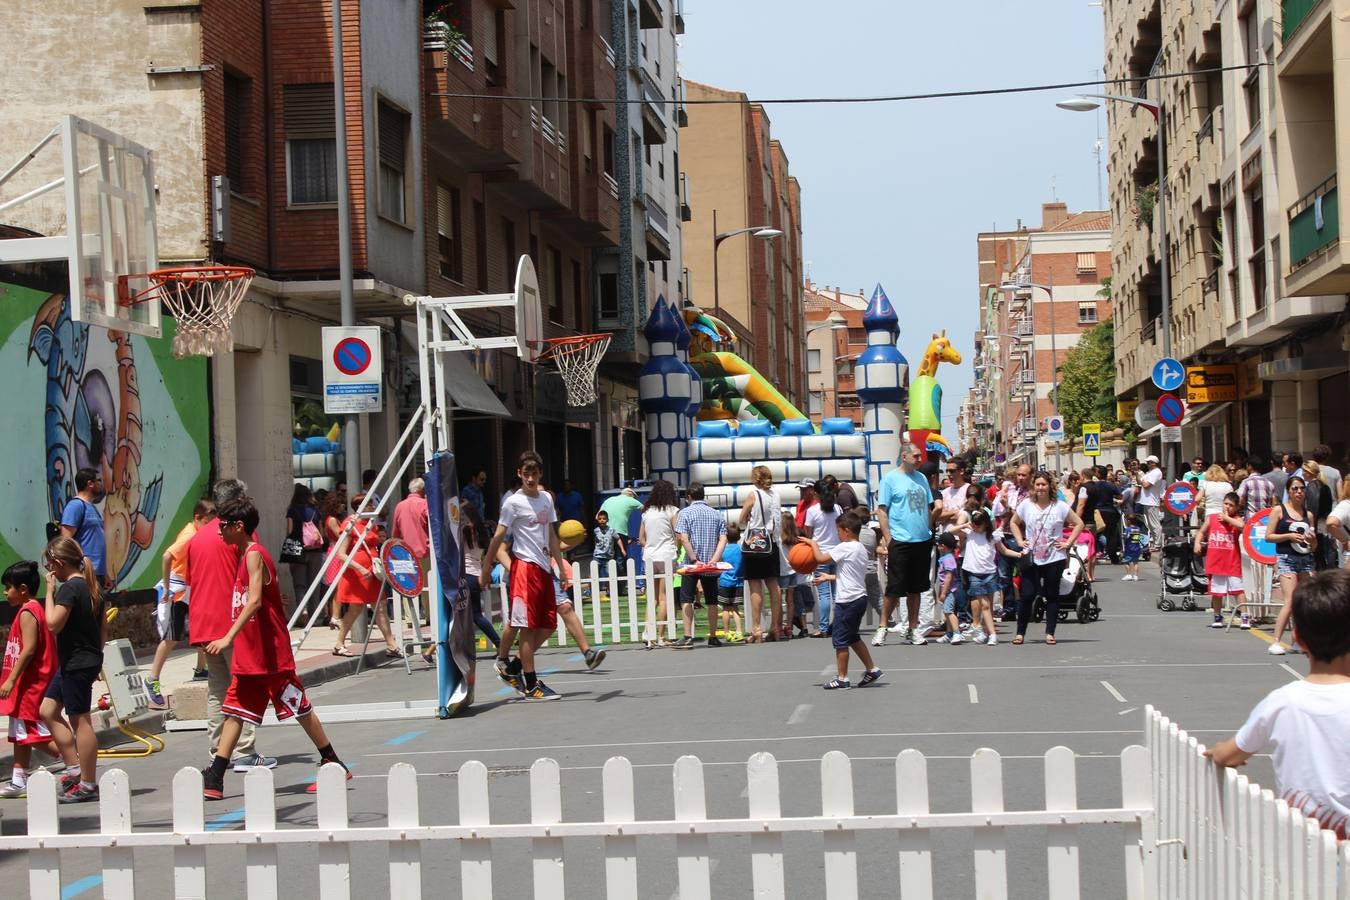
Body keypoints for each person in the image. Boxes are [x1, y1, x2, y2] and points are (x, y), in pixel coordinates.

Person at [201, 495, 350, 801]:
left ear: (238, 526)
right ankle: (215, 775)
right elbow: (261, 597)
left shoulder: (254, 553)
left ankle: (331, 757)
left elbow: (254, 600)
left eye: (224, 525)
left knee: (298, 706)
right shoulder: (245, 554)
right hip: (251, 653)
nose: (219, 531)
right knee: (234, 711)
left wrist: (228, 636)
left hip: (268, 655)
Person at [1205, 568, 1350, 840]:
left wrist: (1217, 752)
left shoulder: (1284, 701)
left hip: (1304, 849)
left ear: (1298, 639)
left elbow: (1232, 753)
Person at [186, 479, 275, 772]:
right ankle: (243, 750)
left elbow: (191, 582)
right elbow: (255, 581)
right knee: (242, 686)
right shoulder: (238, 533)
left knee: (217, 689)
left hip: (204, 622)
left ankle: (217, 750)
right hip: (231, 623)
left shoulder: (197, 537)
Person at [482, 451, 571, 700]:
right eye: (525, 474)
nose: (530, 478)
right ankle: (531, 685)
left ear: (540, 474)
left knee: (548, 625)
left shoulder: (546, 499)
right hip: (524, 568)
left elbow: (552, 535)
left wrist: (561, 568)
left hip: (544, 568)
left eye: (534, 473)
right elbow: (498, 537)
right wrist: (486, 567)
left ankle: (512, 669)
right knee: (528, 628)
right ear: (519, 474)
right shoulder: (512, 503)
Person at [40, 537, 106, 803]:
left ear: (57, 564)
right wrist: (98, 658)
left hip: (77, 662)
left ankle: (88, 783)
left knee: (81, 720)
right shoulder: (92, 586)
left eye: (49, 564)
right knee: (47, 709)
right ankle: (74, 769)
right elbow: (103, 629)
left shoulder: (69, 588)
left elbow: (53, 624)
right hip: (80, 660)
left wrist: (48, 590)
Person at [0, 561, 69, 800]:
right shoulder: (32, 609)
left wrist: (10, 679)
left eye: (7, 588)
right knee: (21, 732)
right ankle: (19, 779)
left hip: (29, 684)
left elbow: (28, 650)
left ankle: (73, 758)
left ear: (22, 589)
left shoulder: (28, 612)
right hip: (27, 684)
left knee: (30, 734)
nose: (4, 593)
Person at [146, 498, 216, 709]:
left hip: (190, 587)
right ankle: (152, 679)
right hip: (177, 590)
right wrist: (167, 587)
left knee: (201, 628)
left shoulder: (198, 532)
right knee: (171, 637)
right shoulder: (190, 535)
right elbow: (167, 556)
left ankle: (200, 669)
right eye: (208, 521)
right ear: (198, 518)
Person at [805, 511, 884, 691]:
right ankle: (872, 669)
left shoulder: (845, 547)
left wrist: (813, 543)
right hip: (859, 598)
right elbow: (850, 574)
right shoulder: (861, 549)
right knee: (853, 637)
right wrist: (829, 577)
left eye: (838, 531)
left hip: (847, 601)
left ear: (847, 531)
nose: (837, 535)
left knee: (840, 640)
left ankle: (842, 678)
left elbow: (819, 558)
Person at [873, 444, 940, 647]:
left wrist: (928, 530)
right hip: (900, 540)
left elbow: (929, 508)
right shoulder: (890, 479)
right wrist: (889, 538)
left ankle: (912, 628)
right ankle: (883, 627)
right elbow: (882, 511)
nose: (920, 459)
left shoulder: (921, 479)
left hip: (921, 540)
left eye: (920, 456)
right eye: (916, 455)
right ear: (904, 456)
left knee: (916, 588)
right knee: (894, 588)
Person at [1010, 471, 1085, 646]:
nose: (1041, 488)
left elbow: (1079, 523)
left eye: (1044, 484)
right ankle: (1020, 633)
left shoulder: (1060, 506)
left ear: (1049, 486)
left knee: (1052, 595)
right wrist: (1021, 541)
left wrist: (1067, 543)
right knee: (1027, 594)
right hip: (1031, 557)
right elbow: (1014, 522)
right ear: (1033, 487)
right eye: (1038, 484)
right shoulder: (1026, 505)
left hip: (1054, 557)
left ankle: (1050, 633)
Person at [331, 493, 401, 658]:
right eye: (369, 504)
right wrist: (360, 568)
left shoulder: (370, 523)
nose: (373, 507)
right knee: (355, 609)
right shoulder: (350, 524)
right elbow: (340, 553)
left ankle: (391, 644)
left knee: (381, 607)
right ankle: (339, 643)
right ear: (360, 506)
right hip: (358, 573)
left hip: (372, 572)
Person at [1267, 475, 1318, 656]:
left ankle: (1298, 641)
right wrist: (1288, 536)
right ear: (1288, 491)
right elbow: (1268, 536)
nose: (1298, 492)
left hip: (1305, 559)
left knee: (1302, 601)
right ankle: (1276, 641)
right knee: (1289, 601)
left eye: (1301, 488)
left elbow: (1314, 545)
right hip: (1286, 557)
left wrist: (1312, 541)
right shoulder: (1279, 511)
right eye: (1294, 488)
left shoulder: (1308, 515)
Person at [674, 482, 728, 648]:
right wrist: (714, 558)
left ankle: (688, 636)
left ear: (689, 496)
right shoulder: (716, 514)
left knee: (686, 599)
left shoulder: (685, 513)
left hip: (692, 565)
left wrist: (693, 558)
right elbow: (723, 538)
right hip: (711, 564)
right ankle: (713, 636)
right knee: (712, 600)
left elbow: (683, 538)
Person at [738, 465, 784, 643]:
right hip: (771, 540)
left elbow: (742, 518)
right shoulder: (776, 495)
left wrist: (750, 517)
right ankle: (775, 626)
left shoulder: (753, 494)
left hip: (755, 541)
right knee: (773, 584)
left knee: (755, 585)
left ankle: (757, 628)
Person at [961, 509, 1019, 646]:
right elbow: (950, 533)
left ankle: (985, 632)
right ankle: (992, 634)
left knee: (989, 605)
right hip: (975, 573)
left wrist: (1018, 554)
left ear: (985, 524)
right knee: (985, 605)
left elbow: (1004, 550)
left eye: (978, 525)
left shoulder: (993, 536)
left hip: (990, 573)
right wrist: (965, 525)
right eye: (973, 524)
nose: (975, 527)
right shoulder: (969, 533)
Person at [637, 479, 680, 648]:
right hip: (667, 555)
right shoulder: (672, 510)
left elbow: (641, 538)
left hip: (649, 555)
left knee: (652, 598)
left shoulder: (646, 511)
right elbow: (678, 534)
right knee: (664, 598)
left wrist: (650, 545)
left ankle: (647, 633)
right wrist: (676, 548)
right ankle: (660, 636)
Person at [1195, 492, 1248, 629]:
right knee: (1217, 592)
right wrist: (1197, 542)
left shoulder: (1236, 520)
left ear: (1236, 508)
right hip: (1216, 562)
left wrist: (1227, 518)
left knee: (1238, 590)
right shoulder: (1212, 518)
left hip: (1232, 561)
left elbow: (1243, 527)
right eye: (1226, 504)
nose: (1227, 507)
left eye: (1231, 505)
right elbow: (1201, 532)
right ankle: (1217, 616)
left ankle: (1244, 617)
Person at [59, 467, 111, 591]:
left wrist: (105, 573)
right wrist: (77, 571)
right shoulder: (75, 506)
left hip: (97, 573)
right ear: (90, 484)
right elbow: (66, 541)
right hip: (84, 573)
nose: (101, 484)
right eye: (99, 480)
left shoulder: (91, 507)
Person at [803, 478, 842, 637]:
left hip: (821, 553)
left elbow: (808, 533)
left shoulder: (812, 511)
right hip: (837, 552)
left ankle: (824, 627)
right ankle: (838, 624)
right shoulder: (838, 508)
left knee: (824, 594)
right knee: (836, 593)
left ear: (816, 494)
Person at [282, 484, 323, 620]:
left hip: (297, 548)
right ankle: (315, 617)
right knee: (314, 584)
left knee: (300, 584)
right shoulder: (315, 511)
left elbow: (289, 530)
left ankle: (303, 611)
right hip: (316, 551)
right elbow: (321, 533)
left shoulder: (292, 511)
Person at [460, 517, 499, 651]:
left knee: (468, 615)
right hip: (476, 574)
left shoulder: (463, 532)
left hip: (466, 575)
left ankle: (499, 643)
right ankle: (498, 643)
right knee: (475, 615)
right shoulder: (481, 533)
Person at [317, 490, 346, 628]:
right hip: (337, 552)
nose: (343, 506)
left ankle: (335, 616)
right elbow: (341, 536)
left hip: (333, 551)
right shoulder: (333, 520)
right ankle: (335, 616)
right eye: (341, 504)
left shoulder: (327, 519)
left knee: (336, 587)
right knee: (338, 586)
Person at [932, 532, 964, 644]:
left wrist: (944, 593)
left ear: (943, 546)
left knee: (949, 611)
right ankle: (950, 633)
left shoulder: (948, 559)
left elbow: (948, 577)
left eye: (939, 545)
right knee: (946, 611)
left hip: (950, 590)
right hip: (947, 590)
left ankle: (957, 633)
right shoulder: (946, 558)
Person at [598, 487, 644, 557]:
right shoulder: (631, 499)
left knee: (608, 558)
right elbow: (647, 512)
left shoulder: (608, 500)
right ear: (631, 495)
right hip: (620, 533)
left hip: (605, 532)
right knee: (620, 558)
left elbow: (597, 516)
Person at [717, 525, 745, 641]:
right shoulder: (741, 549)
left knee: (725, 609)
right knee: (735, 609)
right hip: (738, 582)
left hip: (724, 582)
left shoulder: (723, 550)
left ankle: (727, 631)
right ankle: (739, 631)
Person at [1137, 455, 1165, 557]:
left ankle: (1158, 544)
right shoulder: (1150, 472)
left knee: (1155, 523)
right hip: (1146, 501)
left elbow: (1146, 485)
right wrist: (1138, 475)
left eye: (1149, 462)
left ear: (1154, 463)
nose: (1148, 464)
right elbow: (1140, 481)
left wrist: (1142, 480)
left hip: (1152, 501)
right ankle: (1155, 542)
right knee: (1150, 524)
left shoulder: (1157, 472)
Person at [592, 509, 625, 574]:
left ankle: (611, 584)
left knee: (610, 574)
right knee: (594, 574)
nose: (602, 520)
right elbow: (596, 541)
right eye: (600, 519)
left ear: (607, 520)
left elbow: (618, 539)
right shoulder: (596, 530)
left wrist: (622, 549)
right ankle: (592, 584)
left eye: (604, 519)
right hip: (597, 556)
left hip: (608, 557)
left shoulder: (611, 530)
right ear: (598, 520)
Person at [1121, 514, 1147, 581]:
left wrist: (1123, 537)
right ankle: (1136, 576)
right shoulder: (1137, 529)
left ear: (1129, 521)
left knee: (1126, 561)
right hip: (1137, 548)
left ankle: (1129, 574)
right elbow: (1135, 539)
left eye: (1126, 520)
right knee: (1136, 562)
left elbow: (1126, 537)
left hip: (1129, 548)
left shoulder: (1128, 529)